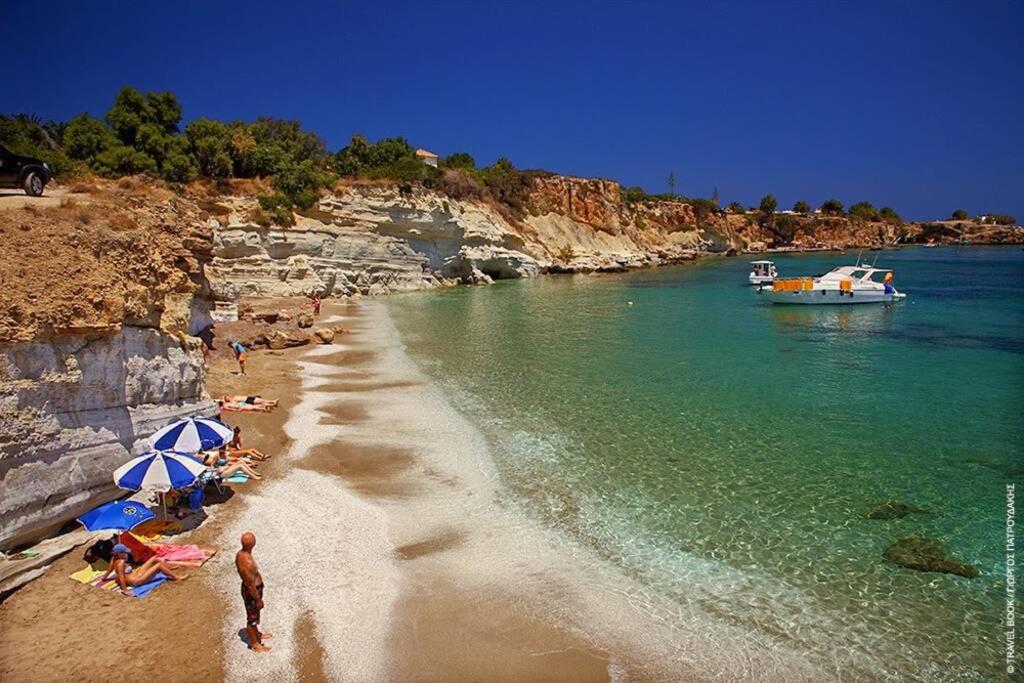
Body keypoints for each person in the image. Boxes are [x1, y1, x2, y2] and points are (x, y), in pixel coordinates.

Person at [99, 544, 188, 595]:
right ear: (120, 553)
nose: (127, 554)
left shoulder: (114, 559)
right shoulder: (121, 563)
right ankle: (176, 577)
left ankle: (168, 568)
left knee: (154, 559)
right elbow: (121, 576)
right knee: (158, 566)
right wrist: (125, 590)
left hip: (136, 574)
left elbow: (110, 569)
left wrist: (104, 578)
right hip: (136, 580)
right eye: (125, 552)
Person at [236, 532, 272, 652]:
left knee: (255, 615)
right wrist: (258, 599)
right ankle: (255, 644)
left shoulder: (241, 554)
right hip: (252, 592)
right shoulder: (247, 562)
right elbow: (250, 584)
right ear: (253, 543)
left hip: (253, 589)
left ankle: (257, 635)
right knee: (251, 618)